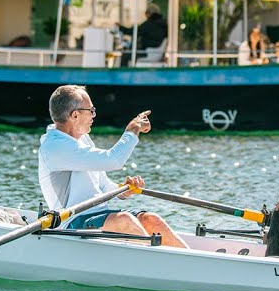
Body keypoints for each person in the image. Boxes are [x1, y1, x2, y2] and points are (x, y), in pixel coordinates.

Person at [38, 84, 188, 248]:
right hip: (70, 222)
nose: (94, 115)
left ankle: (192, 262)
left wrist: (123, 190)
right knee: (124, 220)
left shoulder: (82, 139)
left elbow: (102, 185)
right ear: (75, 115)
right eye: (91, 110)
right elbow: (114, 160)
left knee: (152, 220)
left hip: (98, 215)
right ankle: (164, 266)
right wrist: (132, 130)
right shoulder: (55, 147)